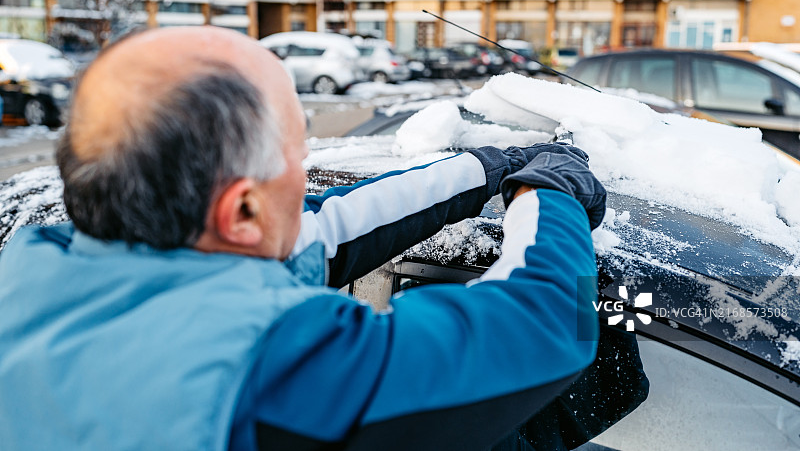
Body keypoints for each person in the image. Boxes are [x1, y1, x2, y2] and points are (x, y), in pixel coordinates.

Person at [0, 27, 607, 451]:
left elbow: (327, 229)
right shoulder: (267, 366)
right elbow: (553, 325)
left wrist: (493, 170)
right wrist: (548, 196)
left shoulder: (29, 272)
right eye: (299, 153)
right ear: (240, 209)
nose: (306, 169)